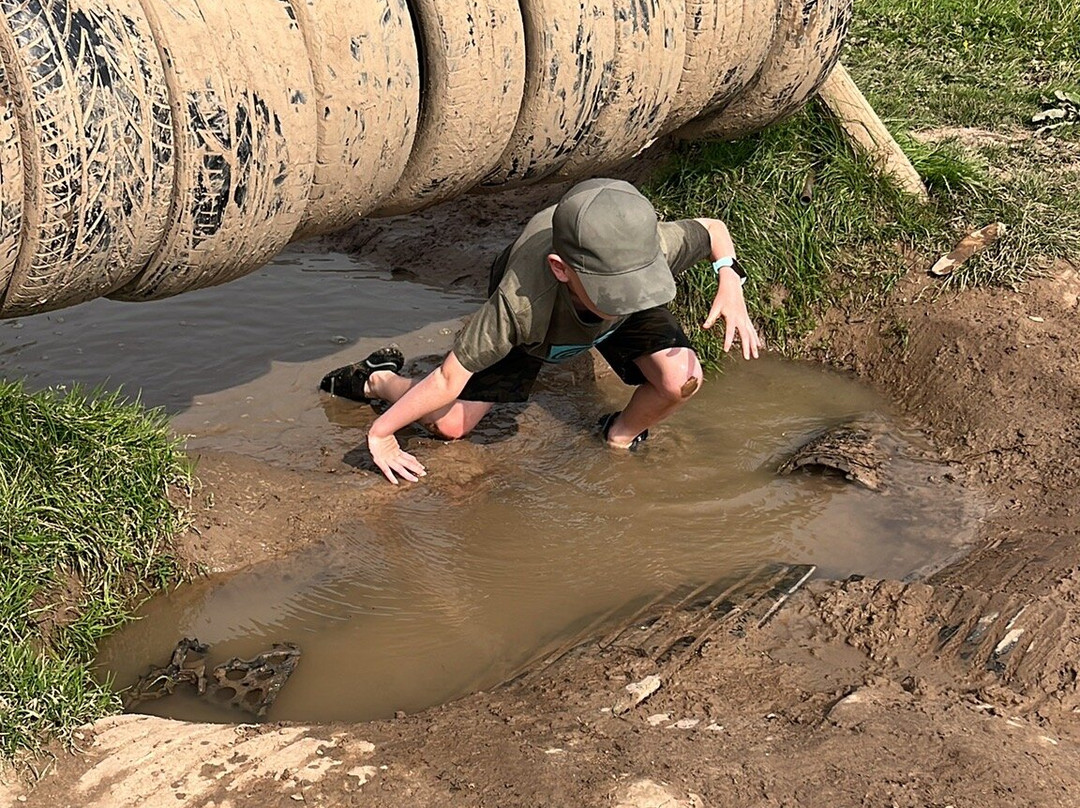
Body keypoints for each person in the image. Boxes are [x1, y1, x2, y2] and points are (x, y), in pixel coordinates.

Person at [320, 178, 762, 484]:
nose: (627, 296)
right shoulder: (520, 302)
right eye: (614, 291)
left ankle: (620, 435)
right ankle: (379, 378)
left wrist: (729, 277)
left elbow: (712, 230)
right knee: (451, 425)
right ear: (561, 269)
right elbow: (447, 378)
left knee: (682, 378)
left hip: (602, 309)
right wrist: (380, 434)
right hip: (543, 328)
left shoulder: (652, 247)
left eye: (637, 285)